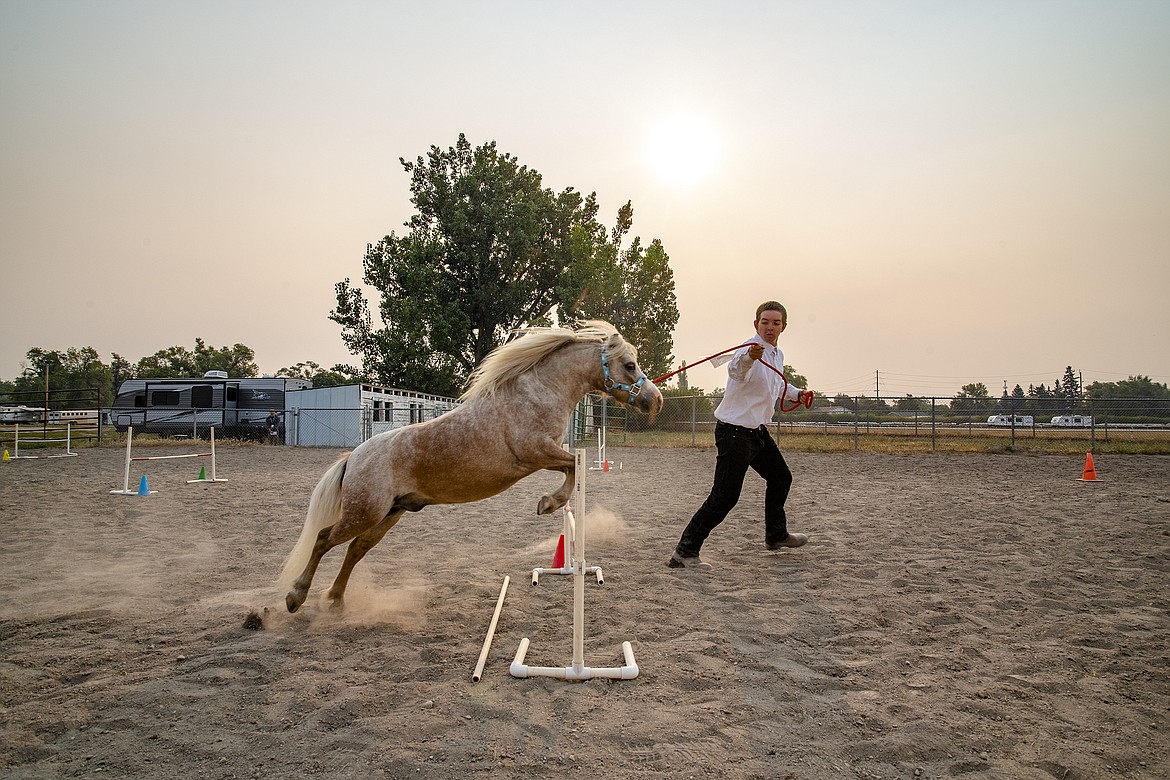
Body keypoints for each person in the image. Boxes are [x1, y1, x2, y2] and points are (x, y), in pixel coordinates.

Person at [668, 301, 811, 570]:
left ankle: (776, 535)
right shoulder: (748, 349)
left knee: (781, 477)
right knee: (724, 497)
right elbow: (736, 371)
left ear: (784, 326)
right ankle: (684, 552)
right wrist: (749, 358)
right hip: (734, 433)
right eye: (765, 322)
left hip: (756, 433)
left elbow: (778, 384)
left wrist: (797, 394)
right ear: (756, 324)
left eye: (775, 323)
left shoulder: (776, 355)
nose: (770, 327)